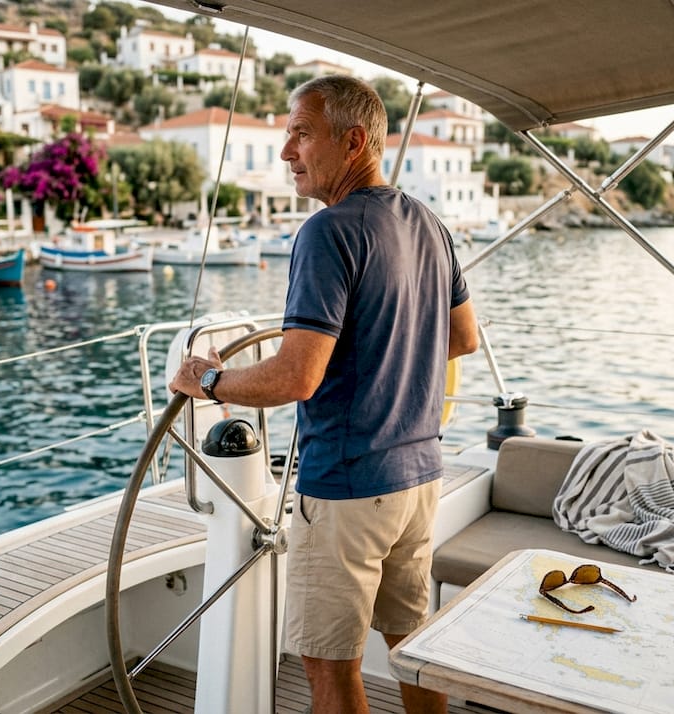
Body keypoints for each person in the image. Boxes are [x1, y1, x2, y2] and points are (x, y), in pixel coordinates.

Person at [169, 74, 479, 714]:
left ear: (354, 141)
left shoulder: (328, 232)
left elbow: (295, 378)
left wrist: (205, 379)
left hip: (346, 486)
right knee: (412, 647)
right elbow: (462, 338)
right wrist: (385, 351)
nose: (286, 151)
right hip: (419, 478)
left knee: (329, 670)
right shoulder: (429, 223)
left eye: (301, 133)